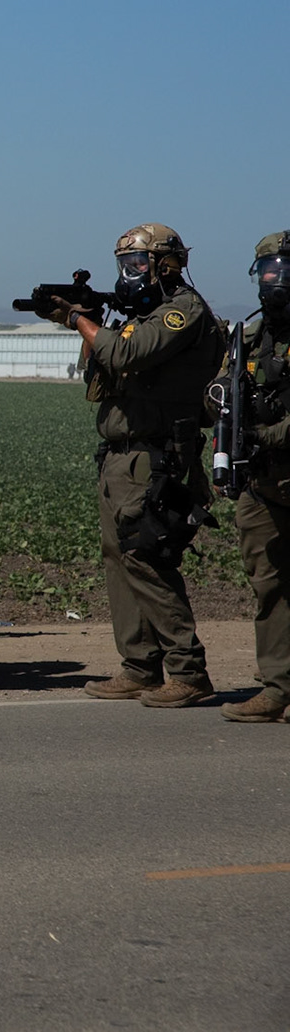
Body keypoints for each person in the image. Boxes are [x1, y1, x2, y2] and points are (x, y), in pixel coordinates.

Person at [39, 224, 222, 708]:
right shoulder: (140, 315)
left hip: (157, 455)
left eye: (138, 265)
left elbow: (126, 351)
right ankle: (140, 666)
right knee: (119, 561)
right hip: (121, 455)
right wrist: (81, 318)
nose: (130, 274)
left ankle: (188, 670)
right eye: (124, 266)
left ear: (167, 264)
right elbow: (102, 368)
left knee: (147, 558)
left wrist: (81, 318)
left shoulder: (184, 309)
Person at [216, 232, 290, 723]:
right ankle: (278, 686)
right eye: (265, 270)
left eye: (280, 270)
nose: (271, 280)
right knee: (268, 583)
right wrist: (222, 399)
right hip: (261, 482)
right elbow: (219, 392)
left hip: (277, 460)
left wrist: (269, 435)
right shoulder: (249, 336)